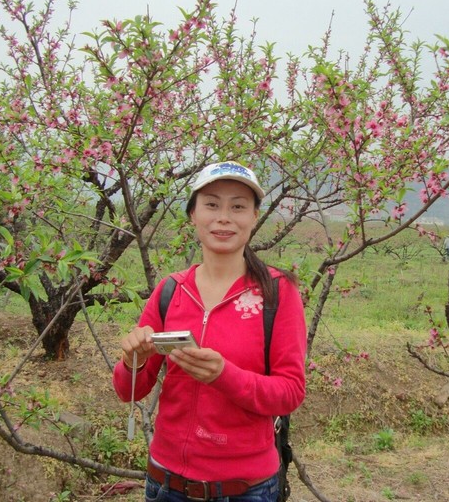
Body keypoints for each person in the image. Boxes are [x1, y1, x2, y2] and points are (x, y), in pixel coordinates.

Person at [113, 161, 307, 502]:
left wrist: (224, 376)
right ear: (193, 214)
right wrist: (134, 361)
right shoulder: (170, 291)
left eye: (238, 207)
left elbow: (290, 392)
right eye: (212, 205)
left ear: (254, 217)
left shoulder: (277, 292)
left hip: (246, 489)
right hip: (166, 483)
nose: (224, 218)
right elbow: (129, 390)